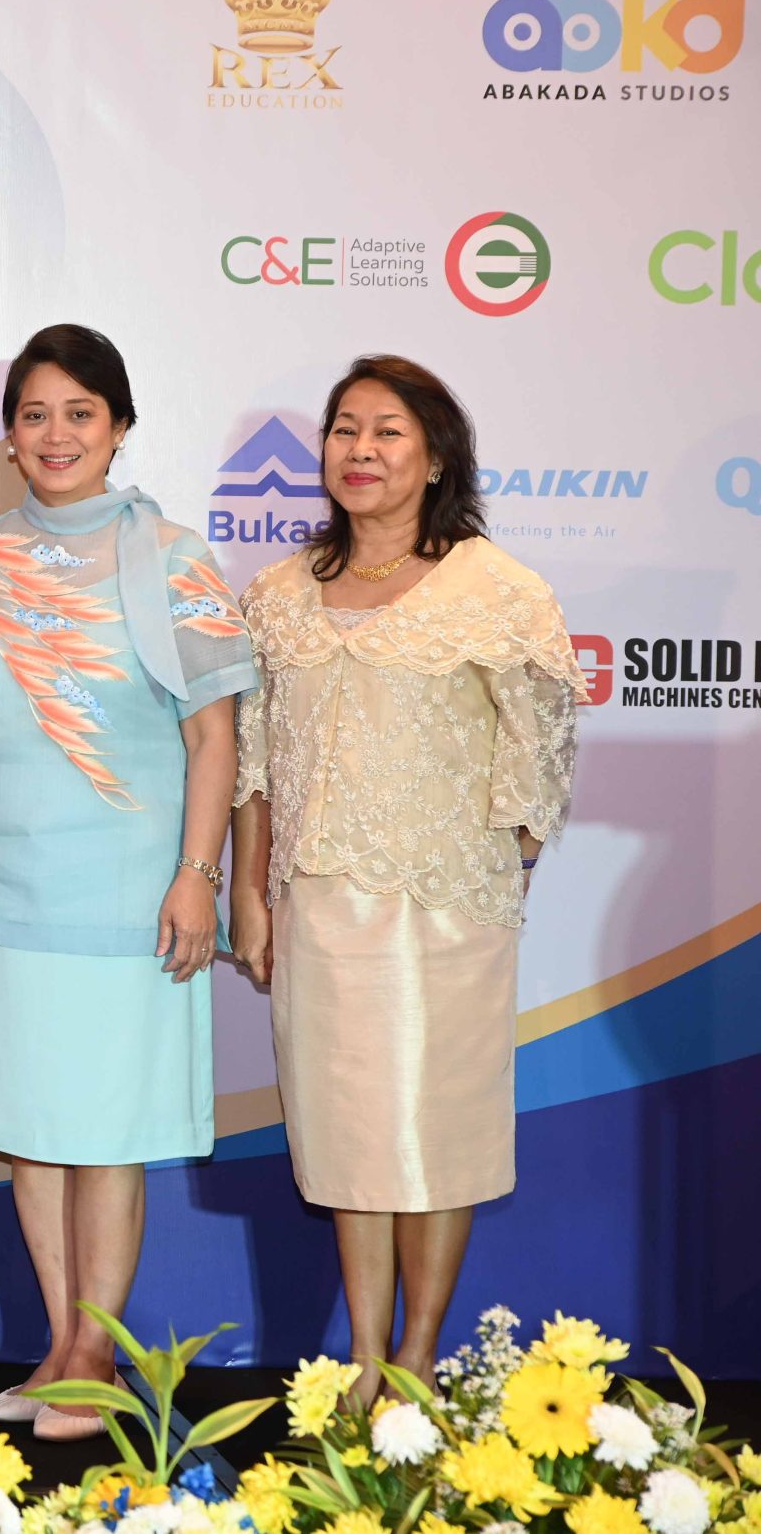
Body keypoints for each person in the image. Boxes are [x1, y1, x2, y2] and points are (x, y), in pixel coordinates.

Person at [0, 324, 256, 1439]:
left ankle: (96, 1354)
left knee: (104, 1131)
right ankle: (61, 1344)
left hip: (126, 891)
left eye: (79, 413)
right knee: (30, 1127)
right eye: (34, 415)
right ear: (9, 438)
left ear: (118, 428)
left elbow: (214, 736)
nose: (56, 434)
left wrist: (197, 875)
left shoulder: (174, 558)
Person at [229, 354, 583, 1398]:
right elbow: (253, 760)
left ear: (434, 458)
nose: (361, 450)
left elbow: (539, 749)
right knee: (347, 1135)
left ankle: (418, 1358)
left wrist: (507, 865)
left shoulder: (497, 589)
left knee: (436, 1131)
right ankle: (364, 1357)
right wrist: (248, 890)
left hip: (445, 908)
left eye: (387, 431)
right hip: (315, 905)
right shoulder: (278, 594)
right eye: (345, 429)